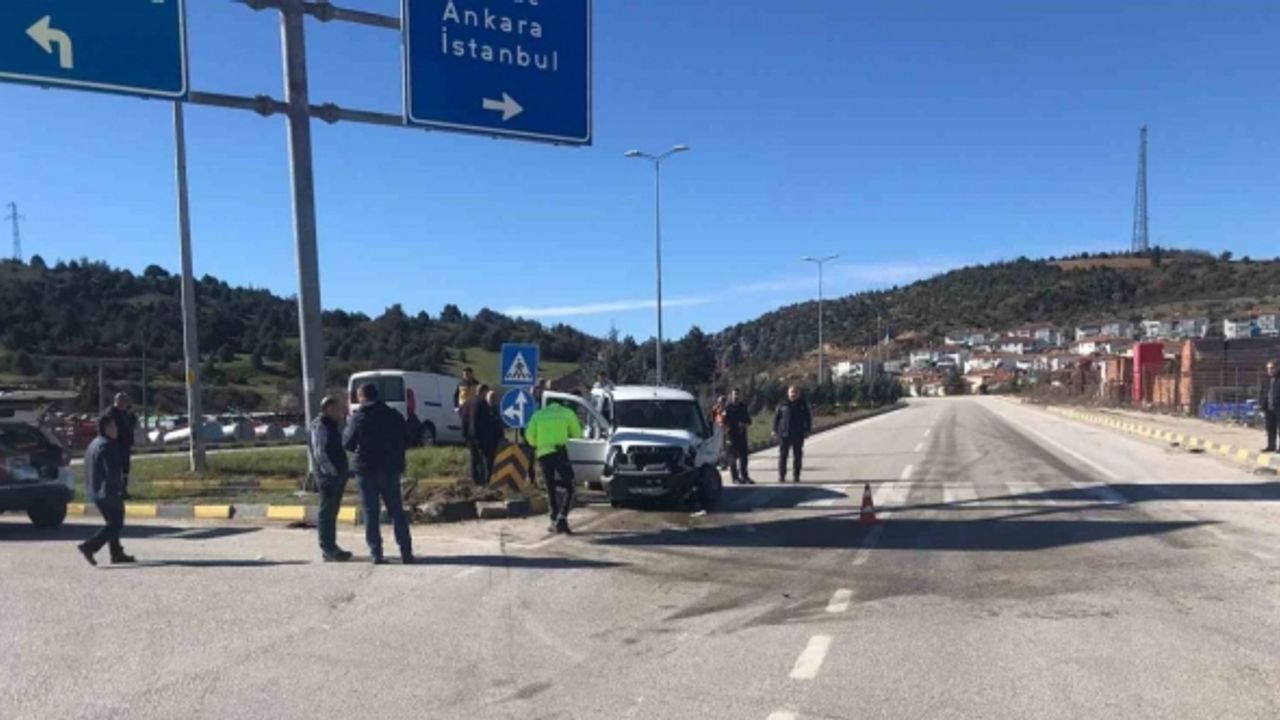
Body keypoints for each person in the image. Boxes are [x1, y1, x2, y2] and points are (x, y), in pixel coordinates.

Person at [344, 383, 415, 565]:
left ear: (362, 397)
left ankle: (376, 553)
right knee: (396, 510)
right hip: (390, 468)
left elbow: (348, 443)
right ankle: (406, 551)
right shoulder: (393, 415)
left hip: (366, 469)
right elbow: (407, 439)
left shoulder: (359, 417)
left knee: (370, 512)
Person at [76, 413, 135, 566]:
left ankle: (116, 553)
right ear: (105, 428)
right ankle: (89, 546)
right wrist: (119, 489)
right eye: (113, 426)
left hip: (96, 491)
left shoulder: (94, 444)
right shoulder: (108, 446)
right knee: (116, 524)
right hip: (108, 492)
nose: (116, 429)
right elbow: (113, 472)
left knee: (111, 523)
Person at [525, 399, 583, 534]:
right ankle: (562, 516)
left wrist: (538, 444)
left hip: (543, 454)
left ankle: (553, 519)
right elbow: (577, 434)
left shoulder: (538, 415)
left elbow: (529, 437)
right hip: (559, 453)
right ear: (560, 404)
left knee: (550, 487)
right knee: (570, 487)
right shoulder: (567, 413)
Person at [310, 395, 352, 562]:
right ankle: (328, 548)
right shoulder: (320, 425)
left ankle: (332, 546)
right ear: (328, 409)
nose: (342, 412)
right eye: (338, 409)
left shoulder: (333, 425)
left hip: (337, 474)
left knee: (332, 512)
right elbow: (320, 452)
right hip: (328, 476)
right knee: (327, 513)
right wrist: (332, 472)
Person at [773, 385, 813, 483]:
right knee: (783, 456)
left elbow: (808, 419)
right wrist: (774, 430)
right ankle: (782, 476)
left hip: (798, 434)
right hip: (784, 434)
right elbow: (776, 418)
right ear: (788, 393)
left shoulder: (803, 405)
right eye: (792, 392)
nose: (793, 394)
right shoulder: (782, 405)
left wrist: (807, 430)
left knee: (797, 456)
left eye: (796, 392)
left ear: (799, 394)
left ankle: (796, 475)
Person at [461, 384, 493, 486]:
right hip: (481, 436)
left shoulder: (467, 403)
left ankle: (475, 480)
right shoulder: (482, 403)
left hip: (470, 436)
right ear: (483, 391)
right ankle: (484, 480)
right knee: (484, 459)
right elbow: (486, 422)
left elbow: (464, 420)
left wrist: (465, 434)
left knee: (474, 459)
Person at [108, 393, 137, 500]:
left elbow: (131, 425)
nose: (127, 404)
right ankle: (114, 491)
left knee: (125, 469)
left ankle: (123, 489)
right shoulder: (111, 413)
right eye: (125, 401)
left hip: (125, 445)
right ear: (119, 401)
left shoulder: (126, 413)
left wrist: (132, 416)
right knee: (115, 469)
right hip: (115, 445)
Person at [725, 389, 754, 484]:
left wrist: (744, 424)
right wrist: (732, 425)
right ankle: (735, 478)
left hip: (742, 435)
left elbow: (749, 421)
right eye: (734, 394)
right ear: (731, 396)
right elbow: (723, 422)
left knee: (744, 458)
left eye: (738, 394)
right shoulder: (727, 408)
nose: (736, 396)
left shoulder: (743, 407)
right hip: (731, 436)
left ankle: (745, 476)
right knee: (732, 458)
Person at [478, 389, 504, 482]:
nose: (492, 400)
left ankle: (494, 478)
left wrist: (501, 436)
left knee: (495, 460)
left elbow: (500, 424)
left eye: (494, 398)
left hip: (496, 440)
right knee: (486, 461)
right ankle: (487, 479)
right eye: (490, 398)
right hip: (486, 440)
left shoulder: (497, 410)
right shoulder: (483, 409)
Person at [1263, 361, 1280, 452]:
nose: (1270, 370)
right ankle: (1271, 446)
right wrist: (1262, 405)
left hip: (1278, 408)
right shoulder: (1267, 380)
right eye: (1268, 368)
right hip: (1269, 408)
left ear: (1277, 368)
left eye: (1272, 368)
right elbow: (1263, 393)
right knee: (1270, 428)